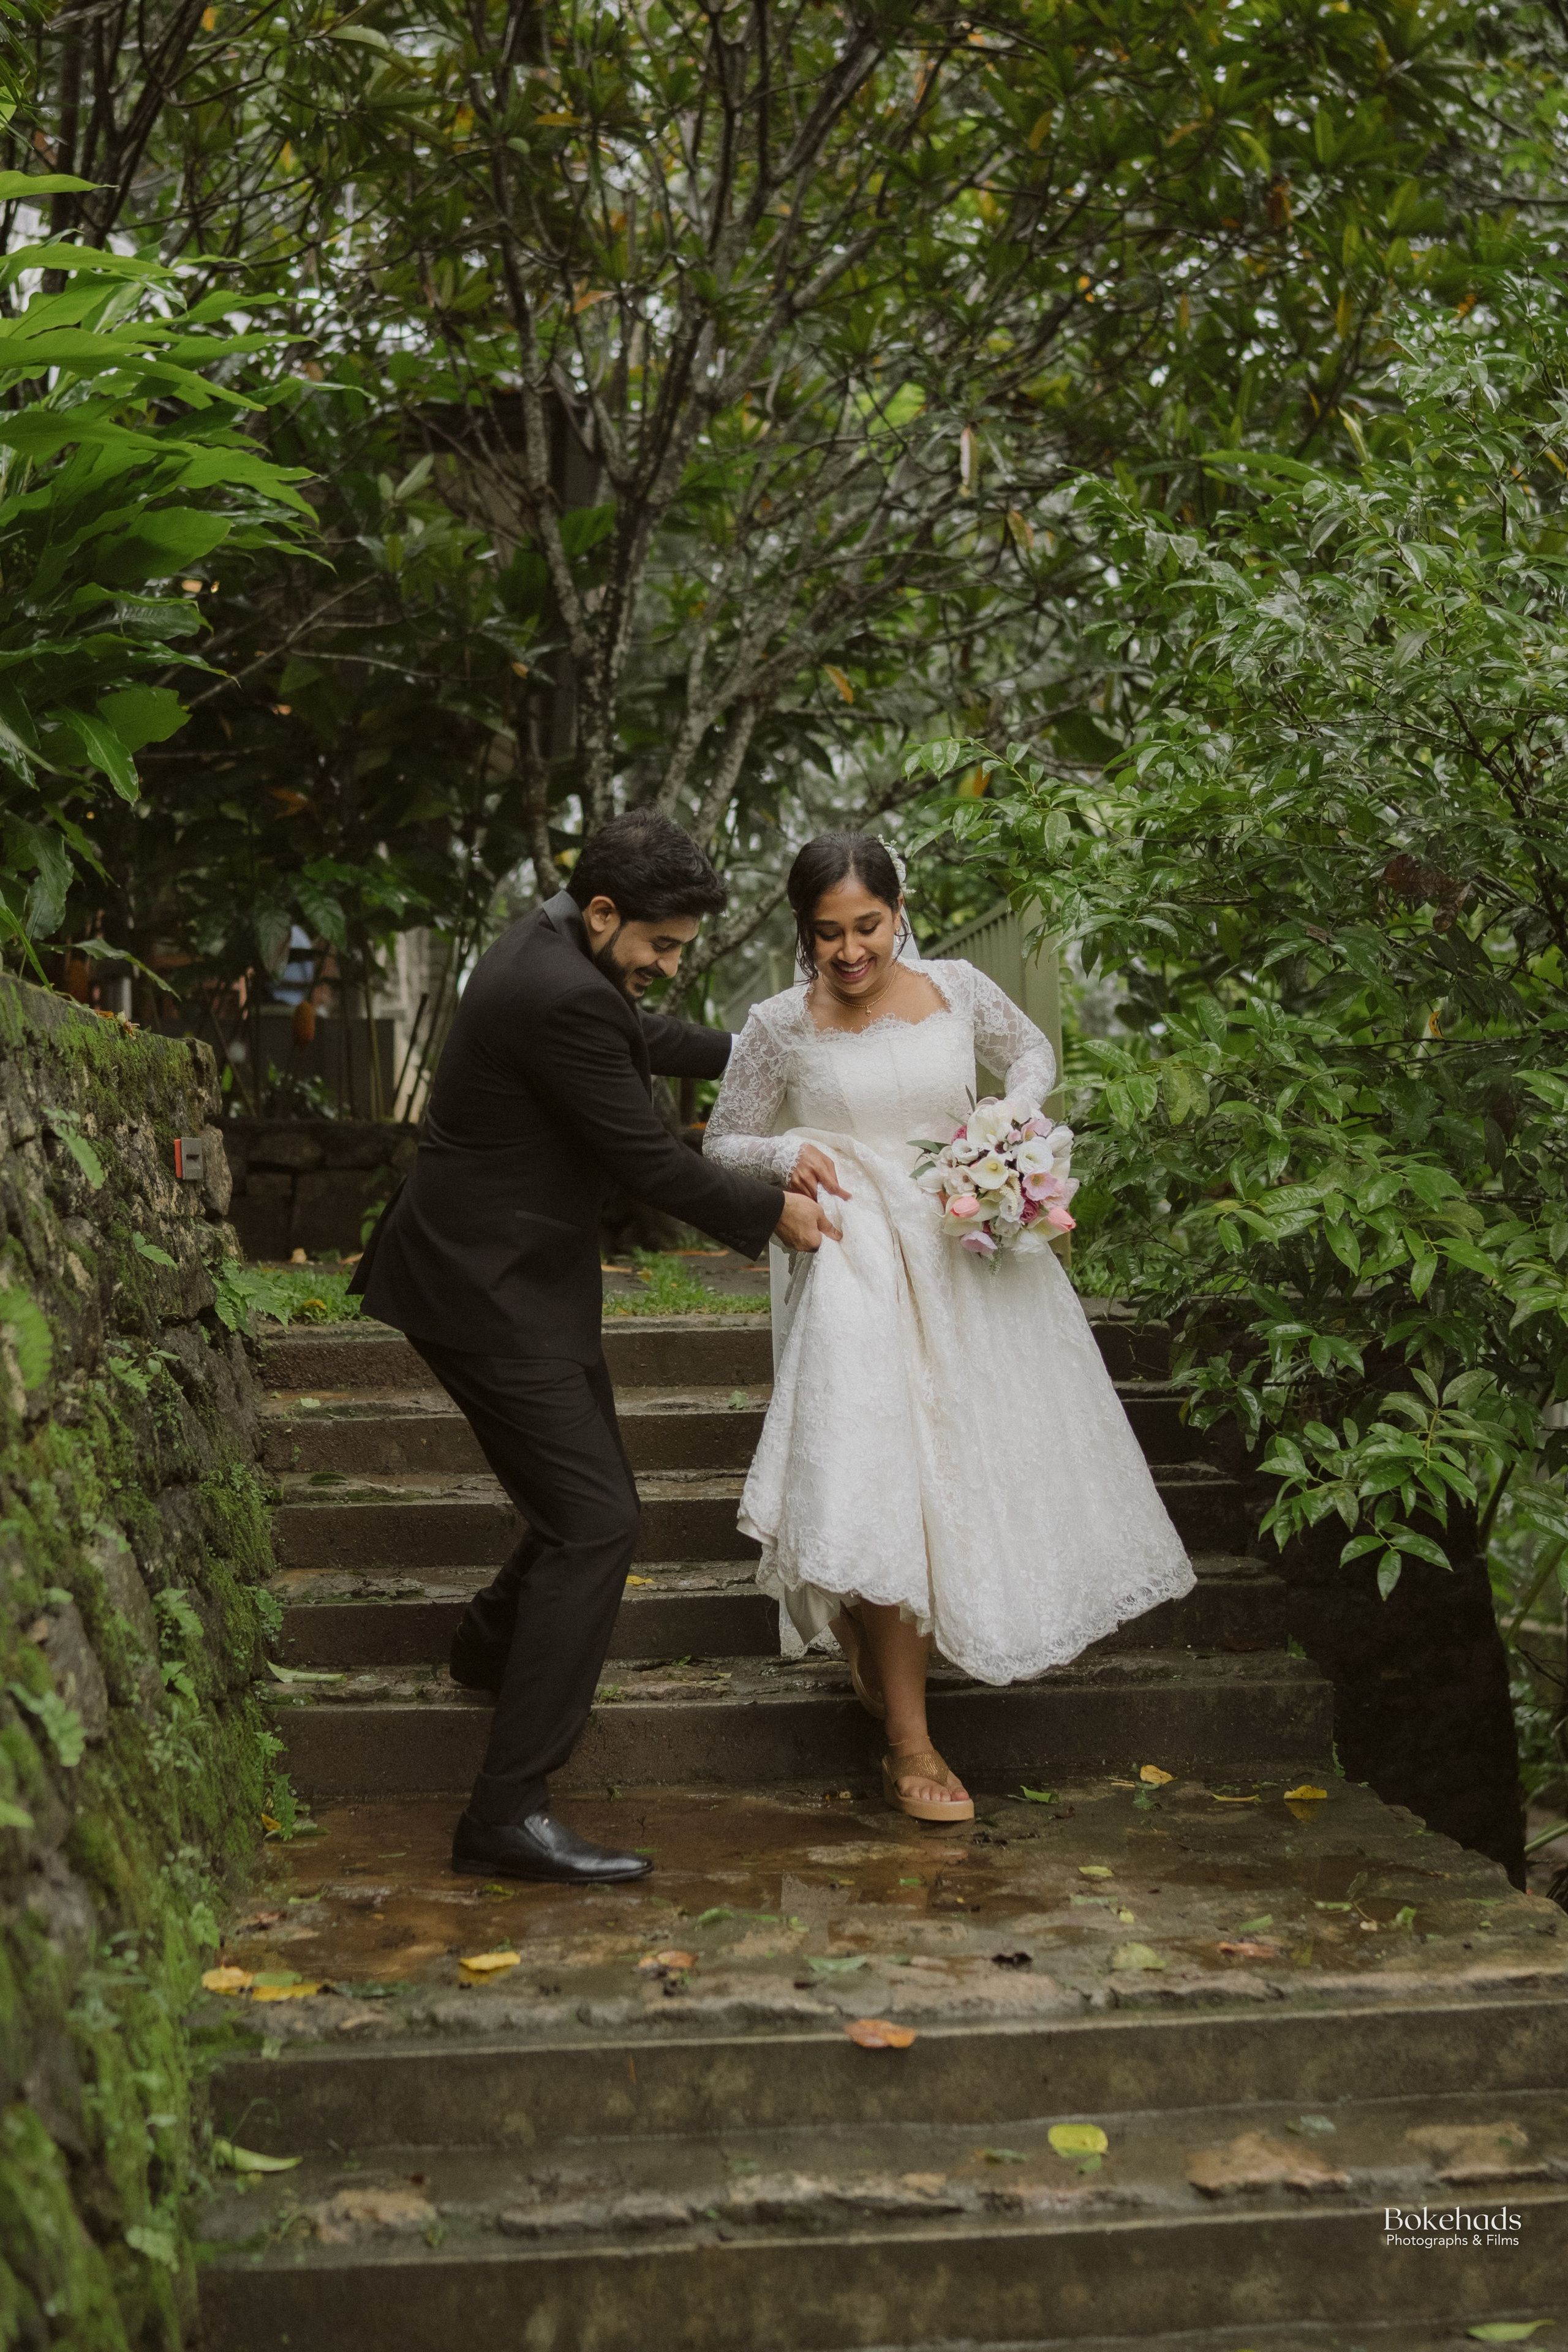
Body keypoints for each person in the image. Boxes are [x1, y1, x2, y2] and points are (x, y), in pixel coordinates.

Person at [350, 811, 837, 1885]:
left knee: (588, 1496)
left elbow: (640, 1039)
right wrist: (776, 1214)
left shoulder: (557, 943)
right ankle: (505, 1813)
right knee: (598, 1521)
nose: (666, 967)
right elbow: (647, 1161)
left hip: (511, 1281)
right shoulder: (558, 990)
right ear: (606, 913)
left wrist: (778, 1050)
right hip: (485, 1293)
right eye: (661, 948)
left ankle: (488, 1646)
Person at [704, 833, 1194, 1821]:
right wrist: (792, 1147)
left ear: (900, 909)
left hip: (965, 1249)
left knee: (965, 1465)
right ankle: (910, 1741)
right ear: (804, 931)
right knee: (884, 1466)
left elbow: (1033, 1051)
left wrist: (1008, 1124)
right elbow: (722, 1139)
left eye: (868, 928)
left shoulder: (960, 986)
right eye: (827, 934)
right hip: (857, 1253)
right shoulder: (776, 1024)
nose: (849, 954)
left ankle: (878, 1623)